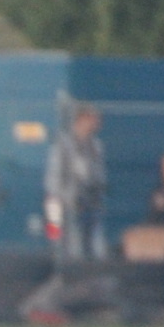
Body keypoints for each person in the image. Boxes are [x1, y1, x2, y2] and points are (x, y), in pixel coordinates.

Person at [44, 103, 106, 260]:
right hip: (64, 203)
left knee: (95, 242)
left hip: (89, 203)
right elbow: (53, 176)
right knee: (67, 243)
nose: (98, 123)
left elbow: (98, 175)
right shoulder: (63, 144)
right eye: (93, 119)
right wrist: (63, 198)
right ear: (82, 119)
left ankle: (93, 269)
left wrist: (97, 192)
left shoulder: (95, 146)